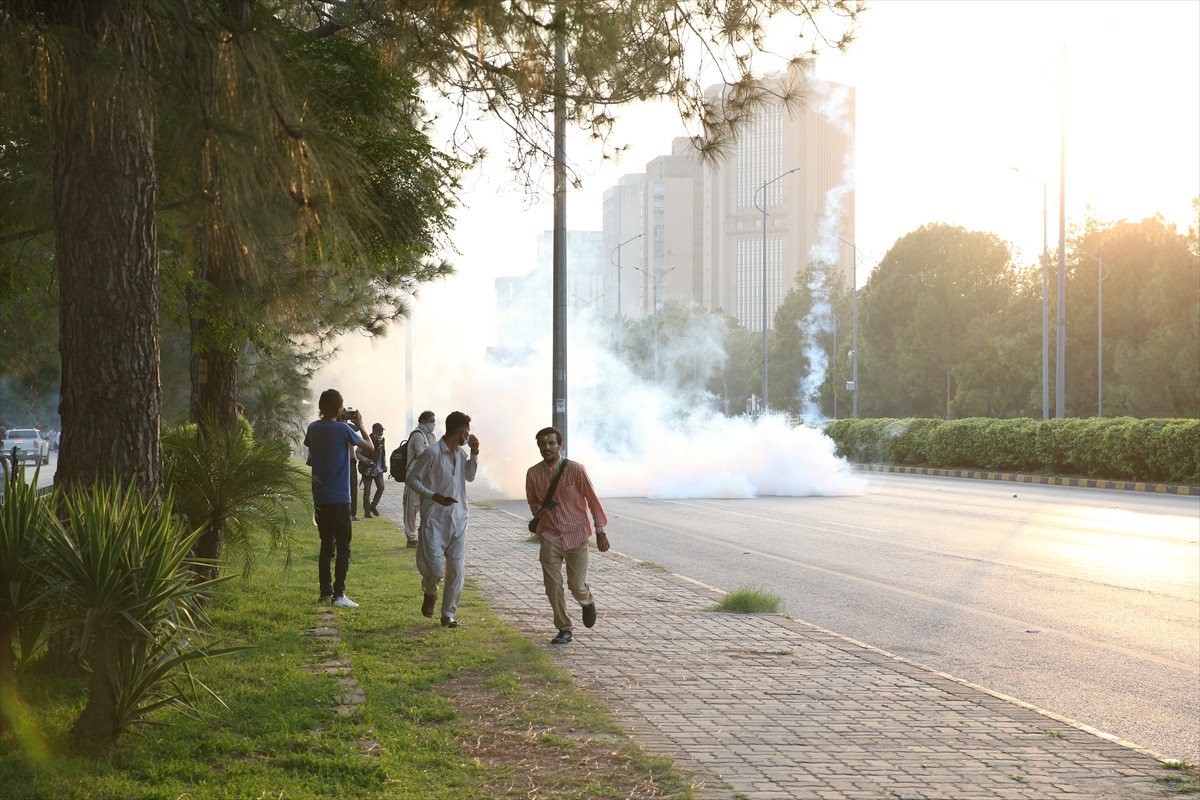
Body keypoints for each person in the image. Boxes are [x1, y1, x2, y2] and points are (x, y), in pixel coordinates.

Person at [525, 426, 608, 645]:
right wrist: (539, 510)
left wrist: (600, 531)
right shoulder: (533, 473)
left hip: (577, 536)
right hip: (550, 535)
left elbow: (592, 500)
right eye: (543, 444)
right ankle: (564, 628)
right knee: (552, 586)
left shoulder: (575, 470)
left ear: (560, 446)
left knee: (576, 585)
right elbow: (532, 500)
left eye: (551, 443)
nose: (547, 447)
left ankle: (586, 600)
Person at [406, 411, 478, 628]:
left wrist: (475, 452)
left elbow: (470, 476)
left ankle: (448, 615)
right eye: (468, 430)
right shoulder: (433, 453)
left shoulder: (462, 454)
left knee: (456, 569)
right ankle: (430, 590)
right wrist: (432, 495)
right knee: (436, 569)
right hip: (435, 519)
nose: (468, 434)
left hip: (459, 518)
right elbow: (411, 479)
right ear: (462, 430)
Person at [304, 389, 373, 609]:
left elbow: (313, 450)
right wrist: (360, 424)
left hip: (320, 497)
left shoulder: (313, 428)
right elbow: (369, 448)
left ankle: (325, 593)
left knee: (326, 546)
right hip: (340, 497)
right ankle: (339, 594)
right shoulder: (344, 430)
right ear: (339, 408)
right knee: (344, 546)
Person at [402, 411, 438, 547]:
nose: (433, 424)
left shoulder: (430, 436)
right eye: (431, 421)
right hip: (414, 478)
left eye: (434, 421)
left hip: (426, 479)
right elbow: (422, 456)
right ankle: (411, 539)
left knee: (426, 508)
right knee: (411, 509)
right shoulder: (418, 435)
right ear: (423, 421)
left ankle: (425, 537)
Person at [359, 422, 387, 518]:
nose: (381, 433)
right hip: (367, 469)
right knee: (367, 492)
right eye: (379, 431)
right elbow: (357, 453)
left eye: (381, 431)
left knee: (381, 487)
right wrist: (366, 460)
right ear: (374, 431)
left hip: (378, 469)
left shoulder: (382, 440)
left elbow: (383, 454)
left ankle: (373, 505)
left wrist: (384, 465)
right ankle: (367, 513)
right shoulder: (366, 440)